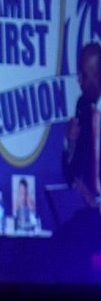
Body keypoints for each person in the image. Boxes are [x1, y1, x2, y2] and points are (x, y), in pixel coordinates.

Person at [55, 42, 101, 277]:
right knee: (58, 247)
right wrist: (69, 141)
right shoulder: (83, 106)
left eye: (83, 74)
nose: (79, 81)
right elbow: (69, 173)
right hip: (94, 214)